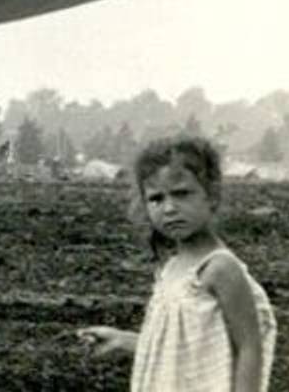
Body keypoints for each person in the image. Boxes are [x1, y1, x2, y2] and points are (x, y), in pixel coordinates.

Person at [78, 136, 277, 391]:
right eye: (156, 199)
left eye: (181, 194)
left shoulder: (220, 268)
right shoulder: (171, 269)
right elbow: (182, 345)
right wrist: (123, 341)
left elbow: (249, 348)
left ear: (212, 196)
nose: (169, 208)